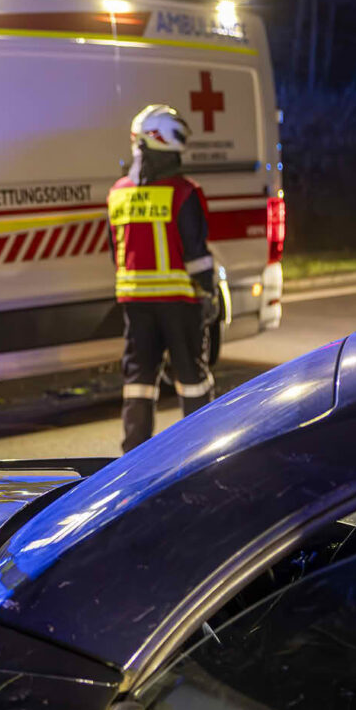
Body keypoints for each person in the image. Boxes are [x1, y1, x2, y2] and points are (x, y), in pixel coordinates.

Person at [107, 103, 218, 453]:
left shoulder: (118, 193)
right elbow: (196, 254)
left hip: (135, 303)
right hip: (180, 303)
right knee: (192, 380)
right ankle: (202, 453)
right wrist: (210, 293)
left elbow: (117, 252)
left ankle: (133, 461)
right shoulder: (184, 192)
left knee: (138, 382)